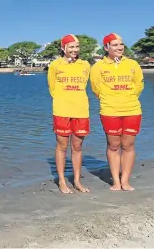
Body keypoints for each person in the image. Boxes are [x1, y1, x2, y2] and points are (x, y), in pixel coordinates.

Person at [90, 33, 144, 191]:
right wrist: (110, 99)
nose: (119, 47)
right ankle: (116, 181)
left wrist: (128, 97)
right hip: (109, 110)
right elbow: (96, 88)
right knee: (113, 145)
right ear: (106, 47)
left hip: (132, 109)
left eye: (121, 44)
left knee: (128, 145)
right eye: (115, 45)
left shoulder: (133, 64)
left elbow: (139, 85)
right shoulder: (98, 67)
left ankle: (125, 180)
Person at [47, 34, 91, 194]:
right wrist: (63, 100)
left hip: (81, 111)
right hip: (62, 111)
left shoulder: (85, 65)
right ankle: (62, 180)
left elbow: (86, 84)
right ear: (63, 48)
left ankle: (77, 181)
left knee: (77, 146)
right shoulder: (55, 65)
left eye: (76, 47)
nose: (74, 50)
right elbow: (52, 88)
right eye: (71, 46)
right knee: (62, 146)